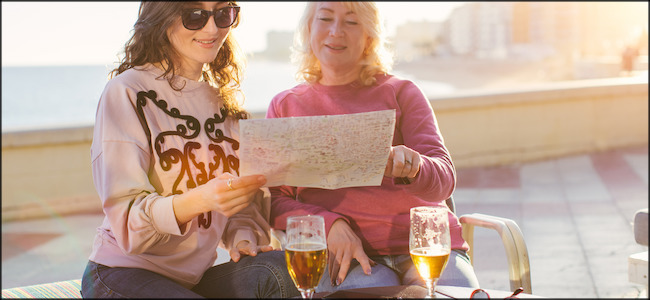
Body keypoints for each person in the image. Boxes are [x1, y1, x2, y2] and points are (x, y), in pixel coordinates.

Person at [81, 1, 299, 298]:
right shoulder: (127, 92)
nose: (212, 28)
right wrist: (201, 199)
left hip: (191, 282)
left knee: (280, 269)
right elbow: (128, 222)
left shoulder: (224, 105)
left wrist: (243, 238)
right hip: (121, 273)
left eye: (224, 14)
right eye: (194, 15)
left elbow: (239, 207)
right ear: (163, 18)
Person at [266, 1, 480, 293]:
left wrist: (415, 167)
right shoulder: (285, 106)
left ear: (369, 36)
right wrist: (328, 224)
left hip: (425, 246)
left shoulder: (403, 92)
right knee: (375, 286)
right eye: (325, 19)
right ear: (308, 29)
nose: (336, 31)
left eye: (351, 22)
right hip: (347, 255)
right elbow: (273, 199)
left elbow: (445, 181)